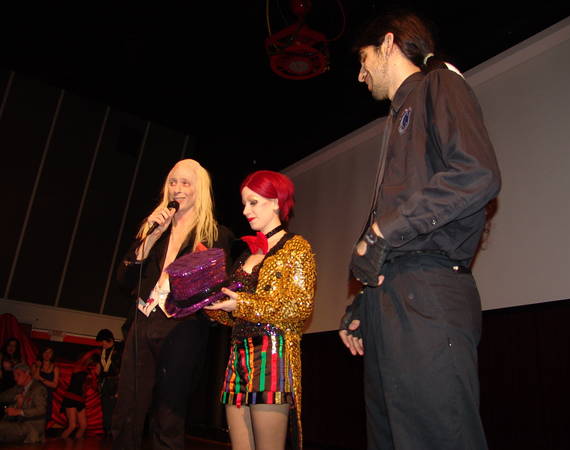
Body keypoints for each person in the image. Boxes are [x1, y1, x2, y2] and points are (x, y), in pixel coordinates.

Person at [339, 10, 501, 450]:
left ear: (388, 43)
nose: (360, 74)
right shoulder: (396, 120)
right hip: (390, 302)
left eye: (363, 59)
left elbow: (476, 175)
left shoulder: (440, 84)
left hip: (427, 298)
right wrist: (363, 303)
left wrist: (380, 233)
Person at [111, 158, 233, 450]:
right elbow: (123, 280)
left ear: (199, 189)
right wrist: (151, 236)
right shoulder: (154, 227)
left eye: (185, 183)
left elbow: (214, 291)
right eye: (172, 182)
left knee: (169, 414)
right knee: (127, 408)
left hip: (182, 327)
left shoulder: (215, 235)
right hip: (143, 320)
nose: (177, 189)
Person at [205, 170, 316, 450]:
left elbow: (299, 307)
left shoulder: (296, 247)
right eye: (244, 203)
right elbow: (229, 315)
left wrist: (241, 304)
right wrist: (206, 299)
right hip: (238, 354)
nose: (245, 211)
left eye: (253, 202)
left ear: (276, 202)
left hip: (271, 352)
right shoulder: (246, 255)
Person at [0, 363, 47, 444]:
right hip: (18, 425)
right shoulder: (18, 388)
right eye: (14, 376)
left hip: (31, 428)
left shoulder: (38, 388)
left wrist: (19, 411)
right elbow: (3, 397)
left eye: (18, 375)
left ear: (27, 373)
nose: (15, 378)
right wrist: (15, 399)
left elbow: (41, 410)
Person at [61, 352, 100, 439]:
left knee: (83, 426)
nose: (91, 362)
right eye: (91, 360)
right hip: (71, 398)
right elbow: (85, 357)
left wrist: (96, 375)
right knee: (72, 426)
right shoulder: (78, 367)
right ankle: (60, 443)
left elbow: (94, 387)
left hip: (80, 400)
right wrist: (97, 350)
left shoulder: (89, 372)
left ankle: (77, 444)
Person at [95, 329, 120, 435]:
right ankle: (107, 432)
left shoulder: (119, 350)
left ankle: (115, 433)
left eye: (103, 342)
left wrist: (119, 389)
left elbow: (123, 370)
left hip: (116, 383)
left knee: (115, 409)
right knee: (105, 409)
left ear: (109, 340)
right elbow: (99, 368)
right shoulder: (102, 352)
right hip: (105, 383)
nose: (102, 344)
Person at [32, 346, 61, 424]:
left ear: (52, 354)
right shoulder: (35, 365)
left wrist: (41, 378)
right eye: (45, 352)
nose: (47, 354)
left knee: (44, 420)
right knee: (34, 419)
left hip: (47, 397)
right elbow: (34, 379)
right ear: (42, 353)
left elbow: (54, 385)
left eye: (50, 352)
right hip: (35, 396)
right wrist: (38, 367)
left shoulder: (55, 368)